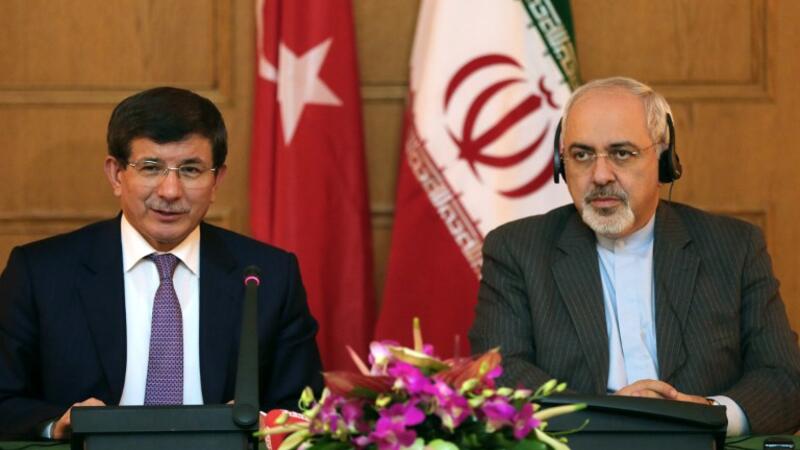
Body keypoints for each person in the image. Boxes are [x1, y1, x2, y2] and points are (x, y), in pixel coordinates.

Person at [469, 77, 800, 435]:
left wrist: (706, 415)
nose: (600, 175)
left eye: (622, 153)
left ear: (663, 159)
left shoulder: (733, 247)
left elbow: (784, 379)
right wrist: (609, 418)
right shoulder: (516, 249)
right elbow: (500, 372)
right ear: (560, 164)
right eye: (581, 155)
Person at [0, 87, 324, 440]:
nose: (170, 191)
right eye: (151, 168)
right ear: (116, 174)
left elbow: (305, 408)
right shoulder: (41, 273)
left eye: (191, 170)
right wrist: (56, 423)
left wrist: (264, 423)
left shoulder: (269, 275)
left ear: (216, 180)